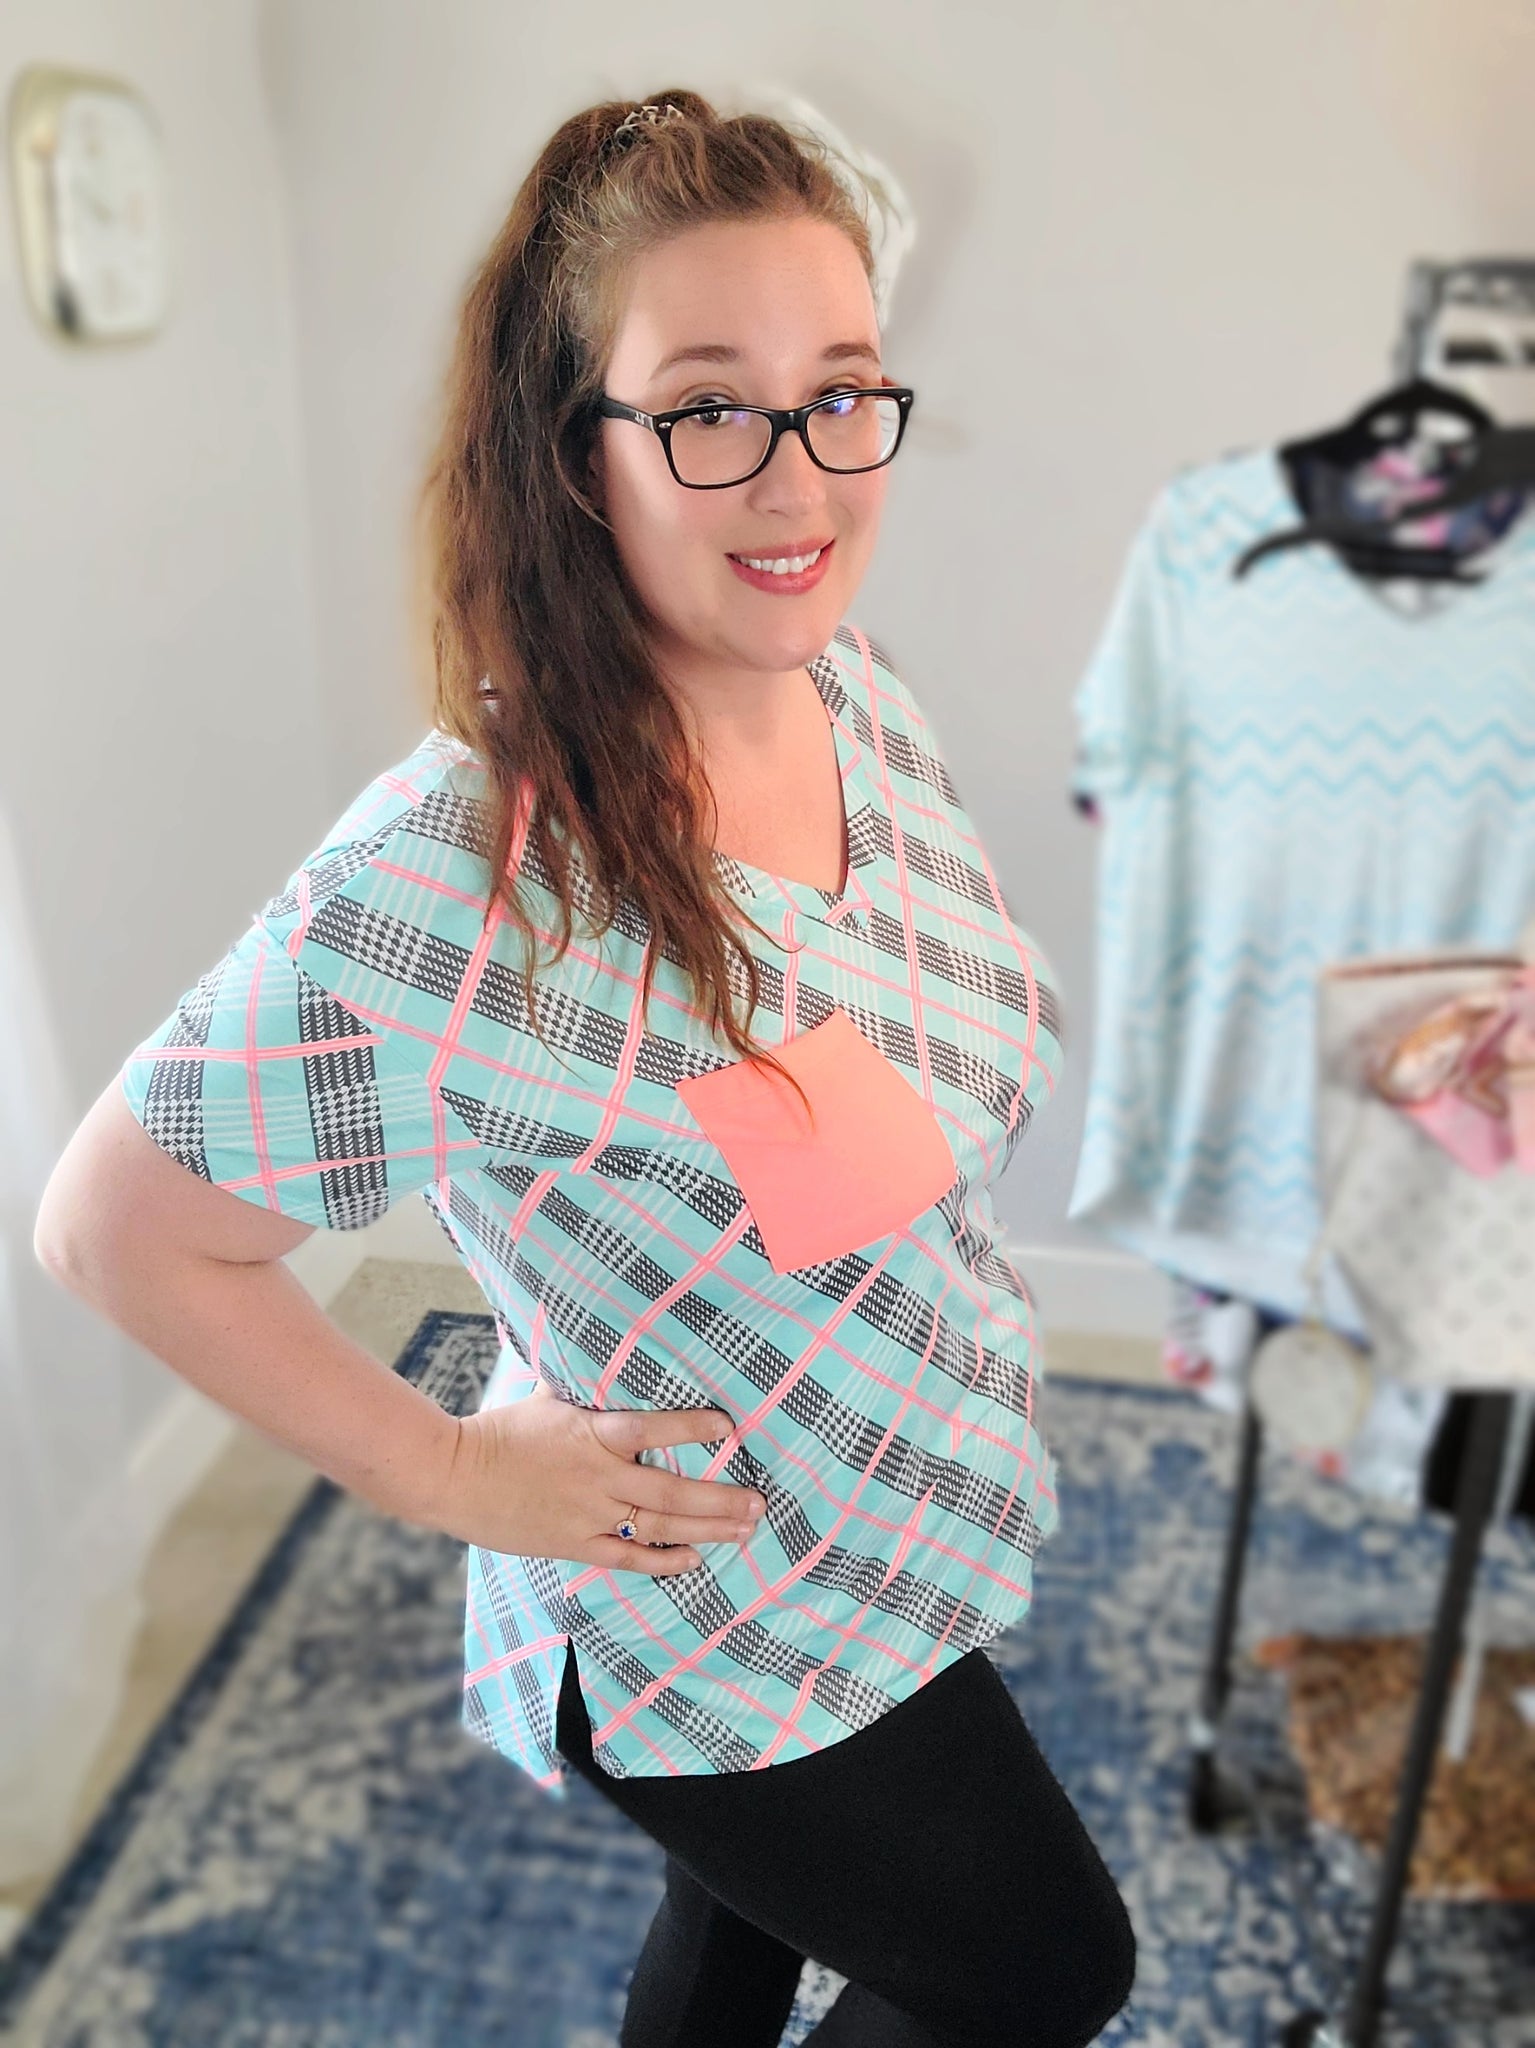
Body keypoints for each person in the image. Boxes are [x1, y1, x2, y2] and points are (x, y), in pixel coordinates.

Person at [35, 87, 1135, 2048]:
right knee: (1041, 1966)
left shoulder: (845, 688)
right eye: (709, 407)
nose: (800, 480)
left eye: (842, 392)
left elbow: (827, 1090)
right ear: (575, 451)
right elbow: (115, 1228)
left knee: (737, 1937)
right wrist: (451, 1467)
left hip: (887, 1497)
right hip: (719, 1622)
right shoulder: (465, 873)